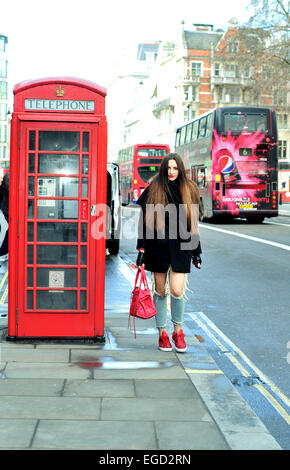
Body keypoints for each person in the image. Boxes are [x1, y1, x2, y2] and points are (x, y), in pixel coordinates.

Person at [136, 153, 202, 353]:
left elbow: (193, 223)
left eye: (175, 168)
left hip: (182, 245)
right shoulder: (154, 188)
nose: (172, 172)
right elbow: (144, 222)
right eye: (169, 168)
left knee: (177, 290)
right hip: (157, 246)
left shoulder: (189, 189)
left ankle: (178, 331)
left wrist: (197, 251)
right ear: (164, 169)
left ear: (180, 169)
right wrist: (141, 250)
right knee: (161, 291)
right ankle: (162, 334)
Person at [0, 171, 9, 260]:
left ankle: (4, 251)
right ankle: (3, 252)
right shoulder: (10, 175)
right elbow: (11, 189)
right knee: (12, 230)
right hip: (9, 209)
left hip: (10, 208)